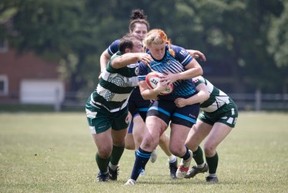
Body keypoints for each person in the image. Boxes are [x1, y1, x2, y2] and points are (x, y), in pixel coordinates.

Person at [99, 9, 180, 179]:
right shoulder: (122, 44)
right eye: (138, 32)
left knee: (156, 135)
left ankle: (171, 159)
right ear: (131, 32)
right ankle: (143, 155)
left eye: (144, 32)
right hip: (128, 95)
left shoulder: (153, 45)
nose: (141, 34)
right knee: (130, 139)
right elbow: (105, 56)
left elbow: (173, 51)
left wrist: (190, 52)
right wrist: (102, 71)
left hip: (147, 93)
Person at [125, 29, 203, 185]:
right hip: (162, 101)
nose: (160, 52)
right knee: (149, 140)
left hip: (186, 101)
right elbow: (145, 94)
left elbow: (198, 70)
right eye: (156, 49)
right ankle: (132, 179)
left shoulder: (176, 52)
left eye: (162, 48)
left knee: (175, 148)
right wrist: (157, 90)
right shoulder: (144, 63)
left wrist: (176, 76)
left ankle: (187, 157)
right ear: (148, 48)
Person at [85, 33, 152, 182]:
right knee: (104, 150)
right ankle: (103, 173)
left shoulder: (141, 65)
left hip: (120, 109)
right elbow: (120, 61)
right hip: (99, 108)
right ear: (128, 50)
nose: (143, 49)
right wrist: (138, 56)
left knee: (119, 143)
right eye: (139, 47)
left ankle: (113, 168)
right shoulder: (116, 59)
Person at [174, 75, 238, 183]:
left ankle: (212, 176)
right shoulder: (175, 83)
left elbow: (204, 95)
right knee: (189, 144)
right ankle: (201, 166)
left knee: (209, 147)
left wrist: (185, 102)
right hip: (208, 113)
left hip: (226, 111)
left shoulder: (194, 78)